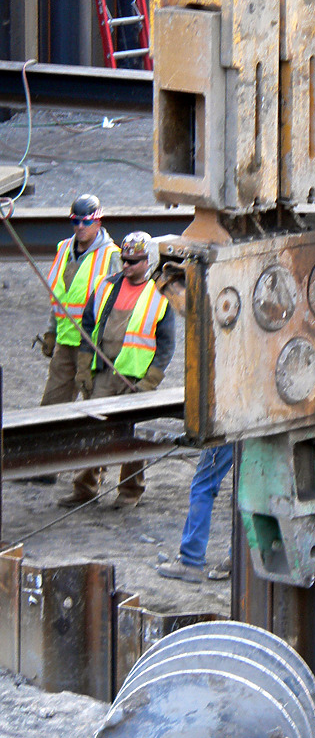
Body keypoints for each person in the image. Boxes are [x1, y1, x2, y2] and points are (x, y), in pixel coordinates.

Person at [58, 230, 175, 509]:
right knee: (94, 430)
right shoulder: (106, 286)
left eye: (133, 261)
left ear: (149, 261)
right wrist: (84, 368)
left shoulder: (160, 296)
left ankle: (130, 492)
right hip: (103, 373)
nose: (125, 265)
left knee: (130, 436)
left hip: (134, 378)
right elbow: (88, 328)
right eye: (124, 260)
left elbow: (167, 345)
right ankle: (85, 488)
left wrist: (151, 380)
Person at [40, 193, 121, 409]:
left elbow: (118, 309)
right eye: (76, 221)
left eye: (86, 221)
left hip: (94, 347)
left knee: (95, 408)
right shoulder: (64, 249)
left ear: (98, 222)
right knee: (51, 407)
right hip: (65, 344)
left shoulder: (111, 256)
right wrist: (52, 332)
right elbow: (59, 298)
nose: (80, 226)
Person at [157, 443, 233, 583]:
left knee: (203, 486)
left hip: (230, 428)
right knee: (246, 484)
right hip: (259, 427)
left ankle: (191, 560)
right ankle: (239, 555)